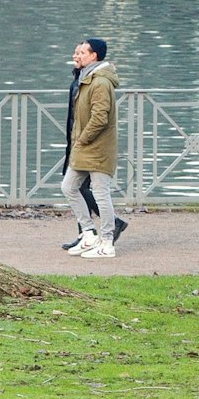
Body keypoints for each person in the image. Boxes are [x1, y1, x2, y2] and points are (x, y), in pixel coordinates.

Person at [61, 39, 120, 259]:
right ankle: (88, 234)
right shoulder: (87, 77)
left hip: (97, 147)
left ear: (94, 56)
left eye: (82, 52)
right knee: (68, 187)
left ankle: (107, 242)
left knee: (101, 194)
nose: (77, 55)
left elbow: (100, 118)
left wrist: (82, 139)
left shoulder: (100, 82)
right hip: (84, 147)